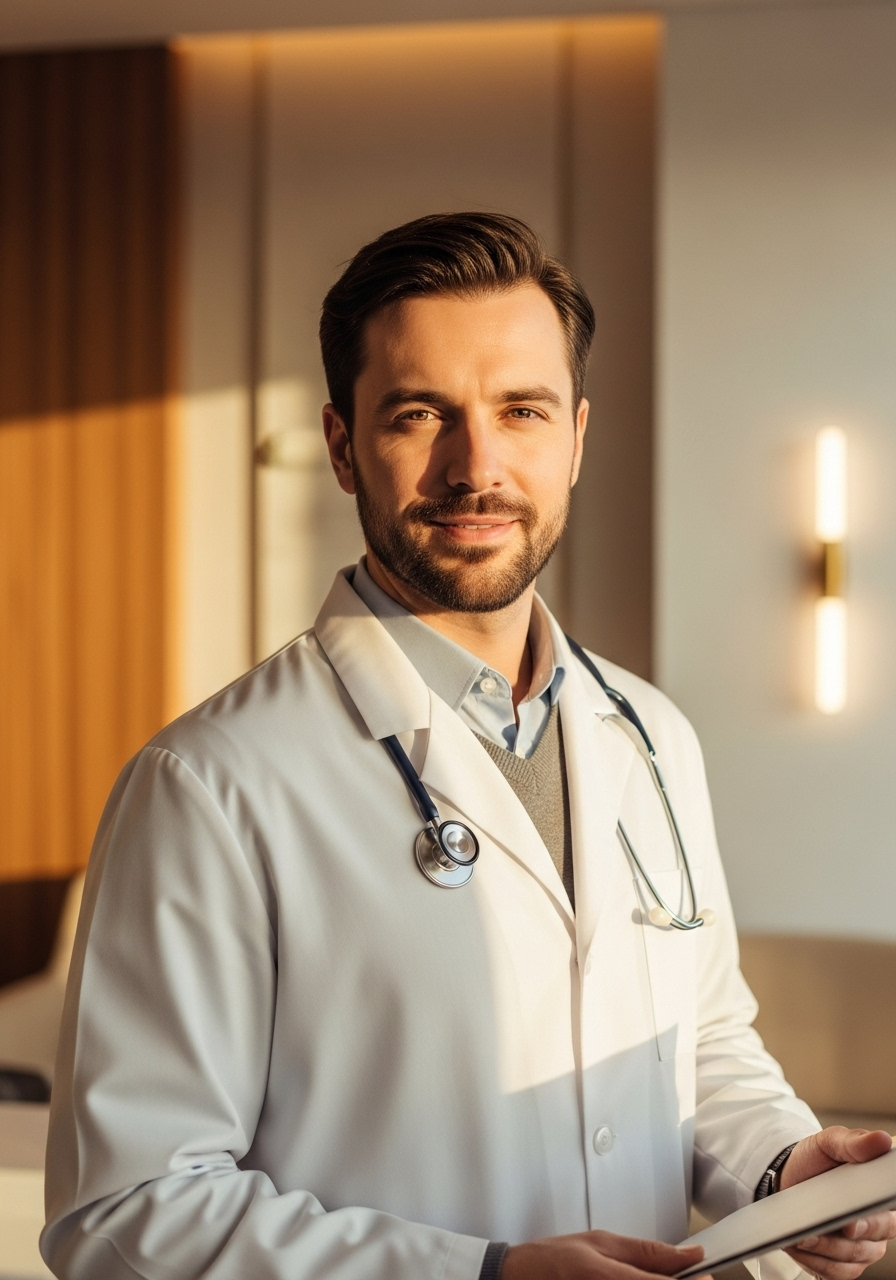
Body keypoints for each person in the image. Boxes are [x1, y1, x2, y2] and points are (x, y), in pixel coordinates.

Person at [42, 213, 895, 1280]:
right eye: (419, 414)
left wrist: (780, 1166)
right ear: (342, 445)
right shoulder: (209, 783)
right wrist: (485, 1273)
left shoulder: (649, 734)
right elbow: (126, 1210)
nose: (476, 465)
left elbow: (701, 1040)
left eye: (520, 410)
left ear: (575, 437)